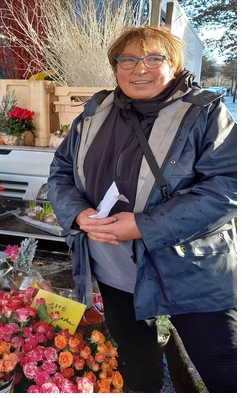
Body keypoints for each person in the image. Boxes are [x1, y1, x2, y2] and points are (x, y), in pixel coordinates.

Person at [47, 26, 237, 392]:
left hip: (192, 271)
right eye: (128, 59)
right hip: (116, 268)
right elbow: (60, 172)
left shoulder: (204, 114)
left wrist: (144, 226)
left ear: (175, 64)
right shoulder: (94, 112)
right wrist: (77, 214)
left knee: (223, 369)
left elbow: (227, 187)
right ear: (115, 67)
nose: (140, 69)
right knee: (136, 360)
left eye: (154, 58)